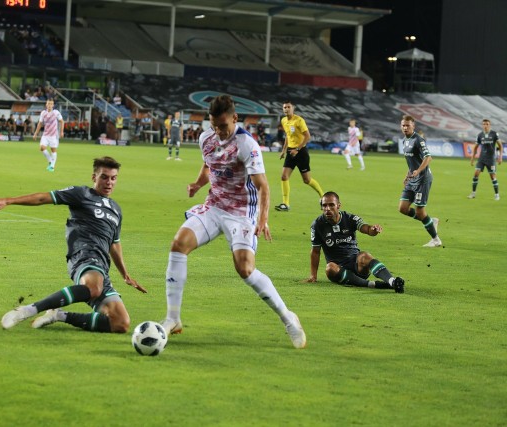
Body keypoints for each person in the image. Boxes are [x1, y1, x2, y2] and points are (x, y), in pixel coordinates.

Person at [160, 95, 306, 349]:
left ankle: (288, 317)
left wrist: (263, 219)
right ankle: (173, 318)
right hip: (214, 206)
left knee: (245, 269)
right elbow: (209, 167)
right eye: (215, 125)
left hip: (241, 211)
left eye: (224, 126)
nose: (219, 131)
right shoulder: (205, 138)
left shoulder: (246, 144)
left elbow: (262, 186)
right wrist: (197, 184)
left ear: (235, 119)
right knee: (178, 245)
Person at [0, 156, 147, 332]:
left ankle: (58, 315)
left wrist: (125, 275)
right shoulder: (81, 194)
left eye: (113, 178)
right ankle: (27, 310)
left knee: (120, 322)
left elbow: (114, 244)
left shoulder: (116, 209)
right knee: (94, 288)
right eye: (104, 177)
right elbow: (44, 198)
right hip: (84, 255)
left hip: (101, 268)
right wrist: (8, 201)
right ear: (94, 177)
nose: (109, 182)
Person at [304, 192, 405, 293]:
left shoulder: (349, 218)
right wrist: (313, 276)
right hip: (338, 269)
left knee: (365, 255)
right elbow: (315, 251)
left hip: (358, 265)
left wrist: (373, 230)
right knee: (330, 268)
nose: (328, 209)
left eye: (331, 205)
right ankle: (373, 284)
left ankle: (392, 282)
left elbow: (366, 228)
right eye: (324, 205)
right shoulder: (317, 225)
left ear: (338, 205)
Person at [399, 115, 442, 247]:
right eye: (403, 125)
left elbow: (428, 157)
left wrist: (418, 171)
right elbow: (412, 162)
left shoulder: (418, 139)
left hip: (423, 179)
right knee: (403, 208)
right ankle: (430, 221)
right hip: (413, 179)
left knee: (419, 211)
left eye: (408, 125)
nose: (405, 128)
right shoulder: (404, 141)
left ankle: (436, 239)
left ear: (413, 126)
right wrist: (408, 174)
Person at [276, 101, 324, 212]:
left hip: (301, 152)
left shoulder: (299, 120)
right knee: (284, 176)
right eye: (284, 107)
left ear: (293, 108)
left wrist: (297, 149)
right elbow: (288, 136)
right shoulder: (283, 121)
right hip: (290, 152)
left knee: (307, 180)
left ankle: (322, 196)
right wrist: (284, 150)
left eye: (288, 107)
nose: (286, 109)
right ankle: (285, 204)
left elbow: (307, 136)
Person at [468, 119, 502, 200]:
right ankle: (473, 193)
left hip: (491, 159)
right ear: (482, 125)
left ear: (489, 125)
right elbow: (475, 147)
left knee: (492, 176)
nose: (485, 125)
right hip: (481, 158)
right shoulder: (480, 135)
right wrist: (472, 157)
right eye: (484, 124)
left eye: (487, 124)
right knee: (476, 174)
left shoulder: (494, 134)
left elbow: (500, 146)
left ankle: (497, 194)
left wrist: (500, 157)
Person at [33, 99, 64, 172]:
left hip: (54, 135)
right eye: (48, 104)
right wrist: (35, 133)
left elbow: (62, 121)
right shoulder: (43, 113)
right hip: (45, 135)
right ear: (46, 105)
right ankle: (50, 161)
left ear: (53, 105)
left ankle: (52, 166)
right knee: (42, 148)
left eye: (51, 104)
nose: (49, 105)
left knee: (53, 150)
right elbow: (40, 123)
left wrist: (61, 131)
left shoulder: (56, 113)